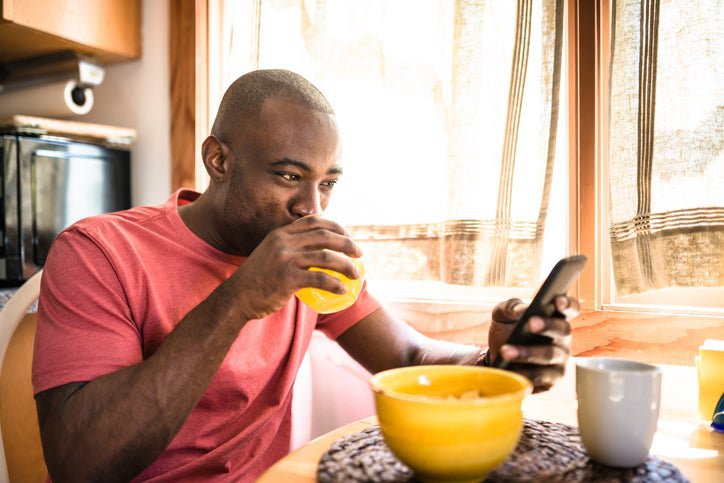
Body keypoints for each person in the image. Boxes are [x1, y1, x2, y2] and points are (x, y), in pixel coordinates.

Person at [32, 69, 578, 482]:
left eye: (327, 183)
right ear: (218, 160)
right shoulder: (98, 252)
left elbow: (408, 358)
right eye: (289, 175)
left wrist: (497, 365)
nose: (310, 206)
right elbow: (81, 464)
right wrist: (240, 298)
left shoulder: (305, 259)